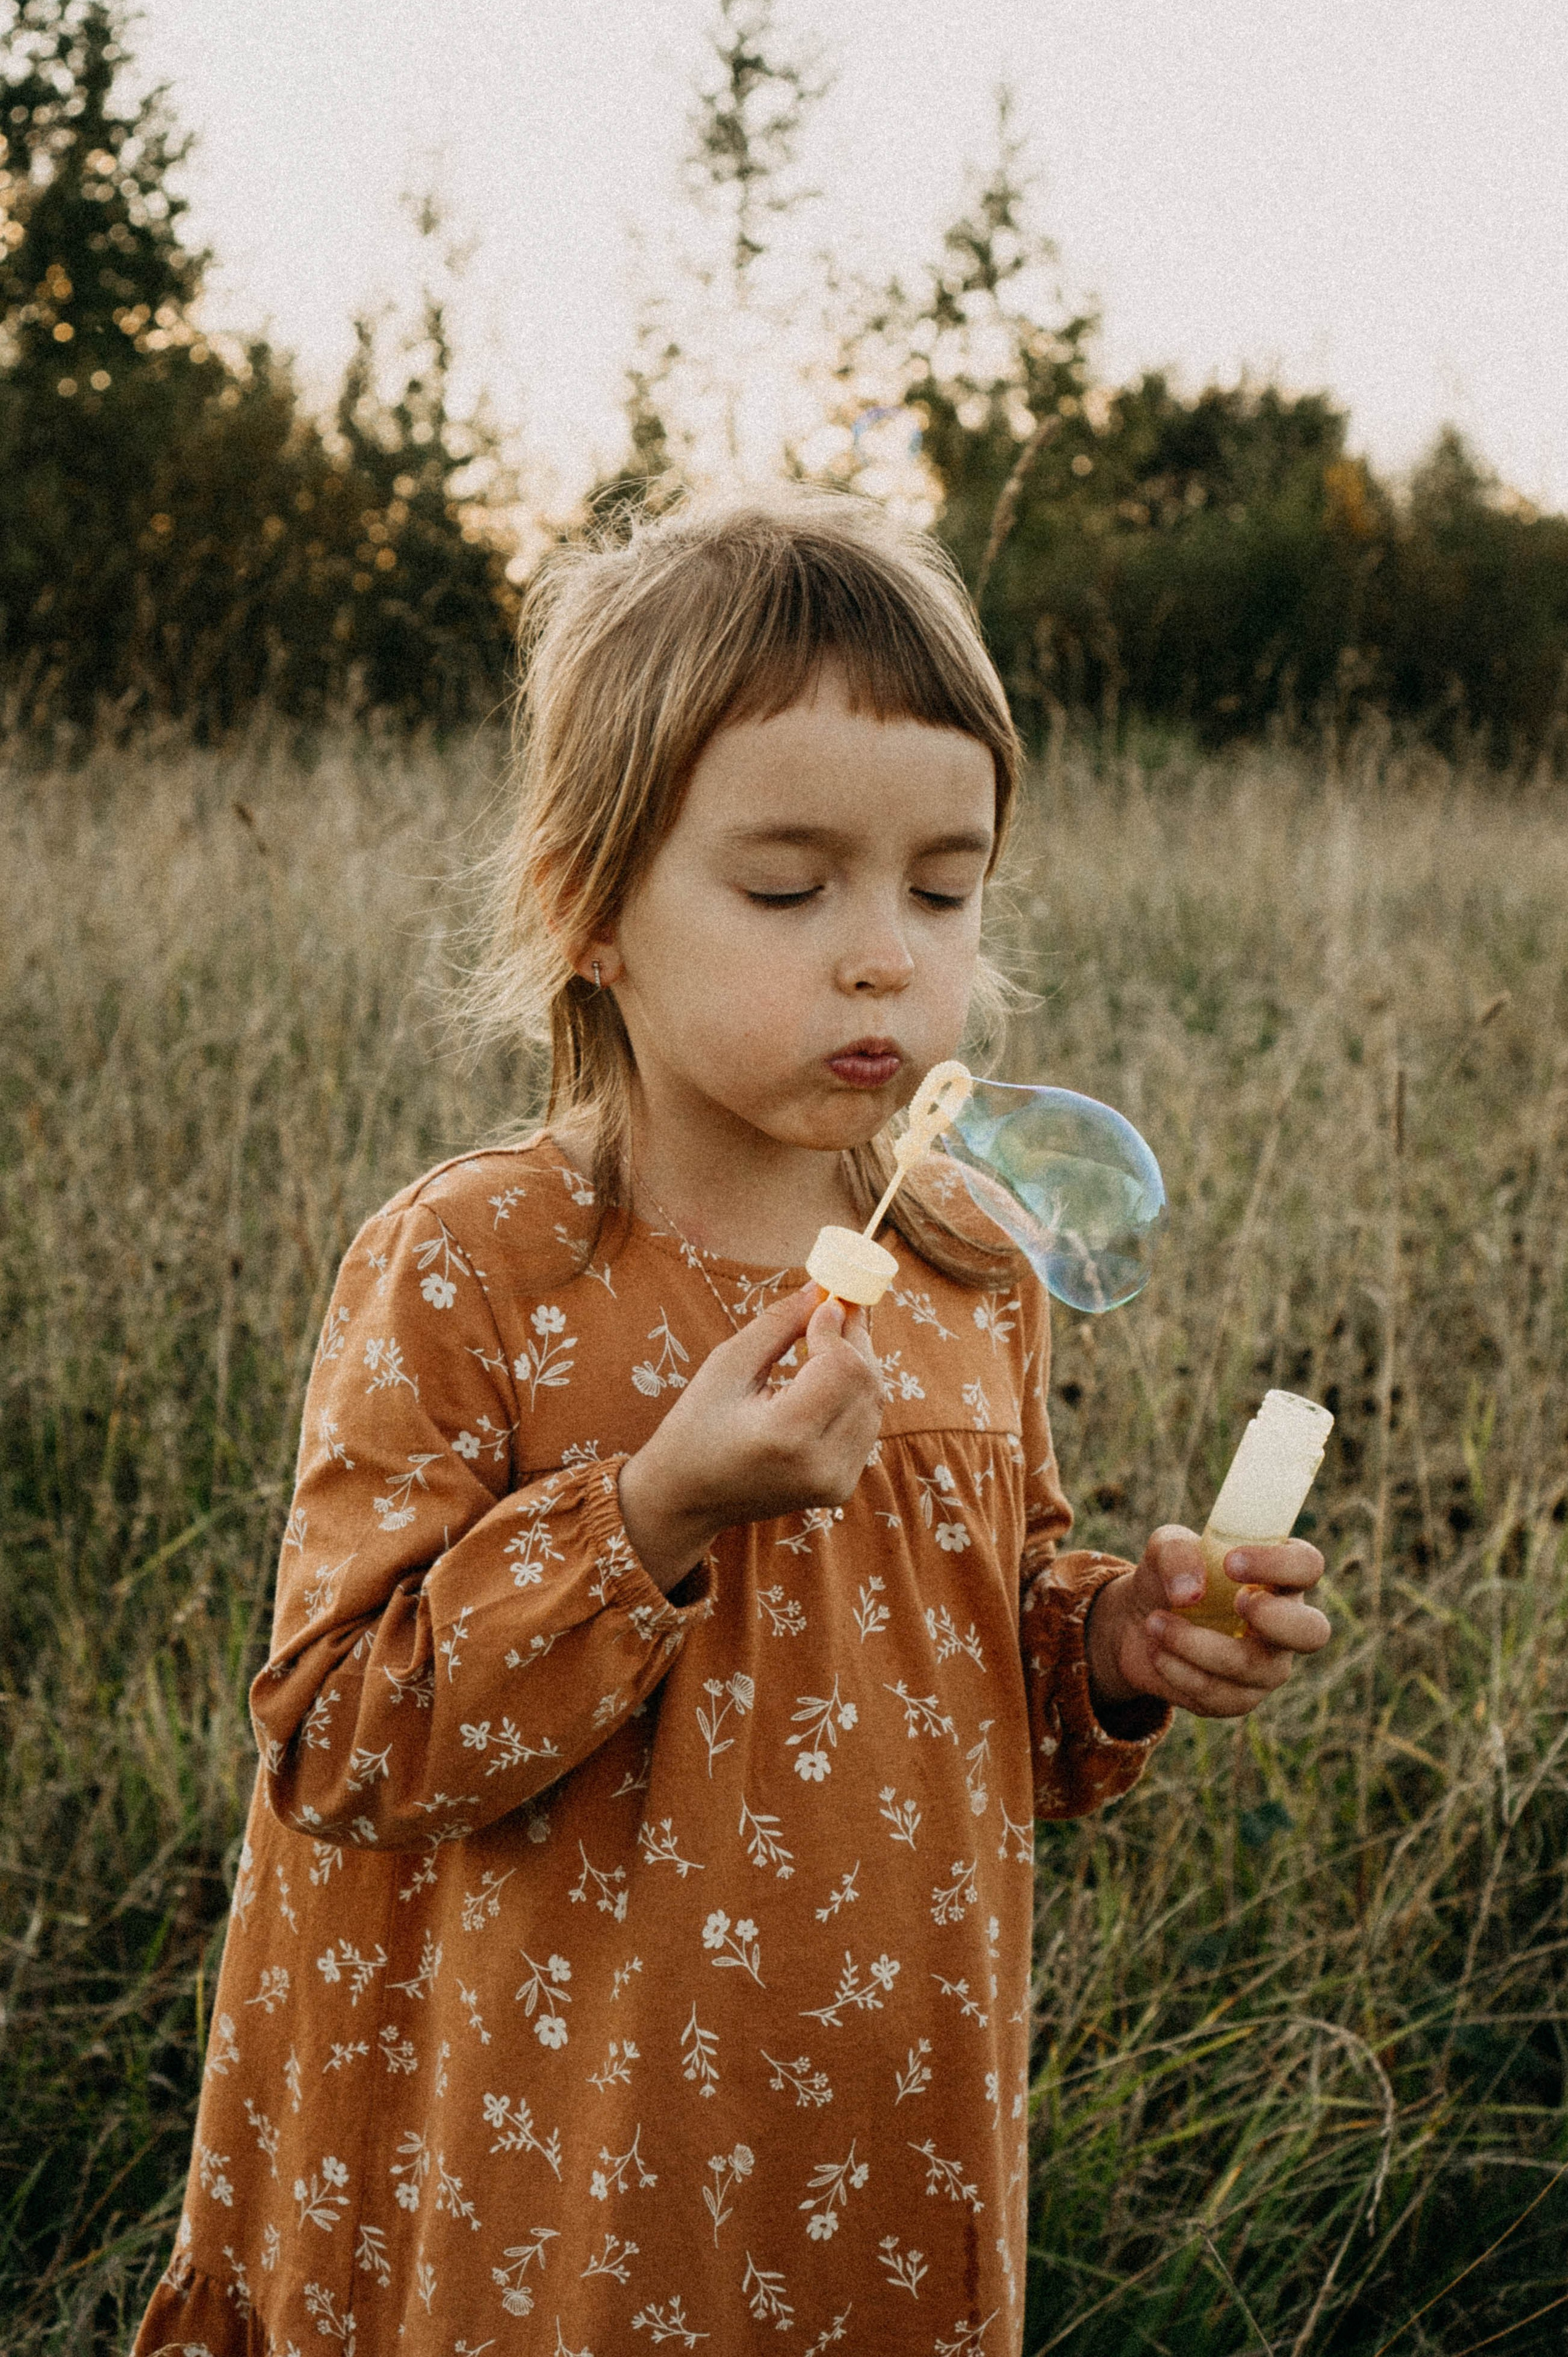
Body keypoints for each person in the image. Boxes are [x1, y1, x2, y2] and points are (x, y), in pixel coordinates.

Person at [133, 492, 1330, 2357]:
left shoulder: (965, 1269)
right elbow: (343, 1740)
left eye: (943, 889)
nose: (884, 956)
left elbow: (971, 1653)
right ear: (590, 909)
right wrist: (653, 1515)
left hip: (869, 2115)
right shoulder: (476, 1267)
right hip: (564, 2152)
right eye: (790, 889)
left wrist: (1111, 1642)